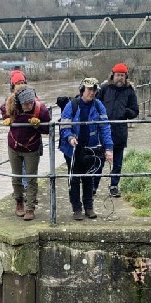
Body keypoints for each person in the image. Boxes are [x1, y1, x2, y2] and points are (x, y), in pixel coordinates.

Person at [59, 78, 114, 221]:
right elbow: (64, 126)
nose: (92, 92)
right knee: (75, 179)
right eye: (89, 89)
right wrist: (70, 137)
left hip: (91, 148)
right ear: (82, 90)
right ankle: (76, 208)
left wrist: (108, 148)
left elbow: (105, 127)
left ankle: (89, 207)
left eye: (94, 90)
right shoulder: (71, 105)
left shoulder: (98, 105)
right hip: (73, 149)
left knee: (89, 178)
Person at [0, 85, 51, 221]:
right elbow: (3, 109)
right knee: (16, 176)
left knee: (31, 179)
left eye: (31, 102)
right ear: (19, 103)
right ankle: (19, 203)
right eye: (25, 104)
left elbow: (48, 129)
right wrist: (6, 118)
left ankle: (30, 208)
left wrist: (38, 125)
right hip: (14, 146)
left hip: (31, 148)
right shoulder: (12, 106)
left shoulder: (41, 109)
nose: (29, 105)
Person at [95, 63, 139, 197]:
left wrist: (124, 111)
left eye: (122, 75)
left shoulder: (129, 91)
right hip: (103, 131)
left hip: (120, 131)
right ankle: (93, 187)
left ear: (126, 77)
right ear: (112, 75)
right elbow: (94, 105)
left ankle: (114, 186)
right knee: (99, 161)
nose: (119, 78)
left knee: (117, 163)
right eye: (117, 75)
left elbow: (135, 111)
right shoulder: (104, 88)